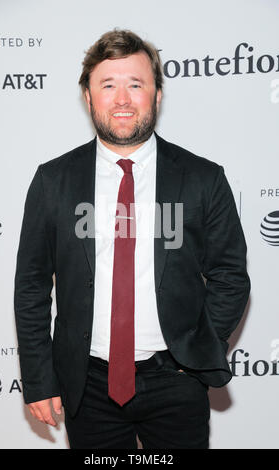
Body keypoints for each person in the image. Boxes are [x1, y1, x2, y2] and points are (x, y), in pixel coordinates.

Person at [14, 29, 251, 449]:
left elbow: (230, 276)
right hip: (87, 386)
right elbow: (31, 287)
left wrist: (195, 351)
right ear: (88, 97)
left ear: (157, 95)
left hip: (176, 381)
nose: (122, 99)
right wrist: (38, 379)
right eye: (108, 85)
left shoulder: (203, 178)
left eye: (136, 84)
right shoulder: (53, 181)